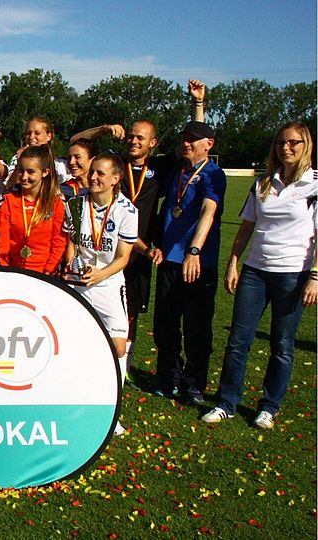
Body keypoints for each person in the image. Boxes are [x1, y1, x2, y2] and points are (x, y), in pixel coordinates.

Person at [70, 81, 207, 384]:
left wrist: (198, 105)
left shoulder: (161, 167)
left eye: (140, 138)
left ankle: (124, 367)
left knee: (130, 310)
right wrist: (106, 129)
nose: (133, 141)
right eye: (131, 136)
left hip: (139, 252)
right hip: (102, 246)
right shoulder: (111, 162)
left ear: (153, 144)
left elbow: (195, 142)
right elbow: (77, 140)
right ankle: (90, 361)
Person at [202, 122, 317, 429]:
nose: (286, 148)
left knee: (282, 345)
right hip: (255, 272)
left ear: (306, 145)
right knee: (238, 341)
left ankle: (269, 407)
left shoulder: (315, 185)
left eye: (293, 142)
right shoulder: (264, 182)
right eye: (281, 143)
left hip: (293, 275)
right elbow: (246, 227)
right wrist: (233, 262)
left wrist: (315, 277)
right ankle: (227, 401)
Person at [152, 112, 227, 404]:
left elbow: (209, 210)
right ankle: (167, 378)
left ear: (209, 144)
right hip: (169, 261)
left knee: (196, 327)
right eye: (184, 138)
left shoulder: (213, 174)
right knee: (165, 325)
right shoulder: (178, 170)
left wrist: (194, 250)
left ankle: (193, 383)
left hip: (197, 263)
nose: (186, 143)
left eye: (193, 140)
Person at [62, 153, 138, 433]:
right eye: (92, 172)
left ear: (115, 179)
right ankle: (76, 403)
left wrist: (100, 274)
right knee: (74, 345)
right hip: (78, 282)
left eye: (101, 174)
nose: (93, 177)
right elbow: (71, 240)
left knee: (118, 346)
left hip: (107, 283)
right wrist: (72, 259)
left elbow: (123, 257)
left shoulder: (126, 211)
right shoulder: (75, 204)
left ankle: (112, 411)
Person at [0, 144, 67, 274]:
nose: (23, 177)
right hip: (13, 271)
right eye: (21, 170)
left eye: (31, 172)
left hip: (44, 274)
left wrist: (47, 272)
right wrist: (6, 271)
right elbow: (2, 241)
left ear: (45, 172)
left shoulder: (56, 203)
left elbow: (58, 242)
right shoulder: (8, 199)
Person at [6, 116, 71, 185]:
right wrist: (19, 163)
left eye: (37, 133)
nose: (31, 137)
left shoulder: (61, 164)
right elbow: (10, 187)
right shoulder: (16, 159)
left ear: (49, 136)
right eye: (28, 133)